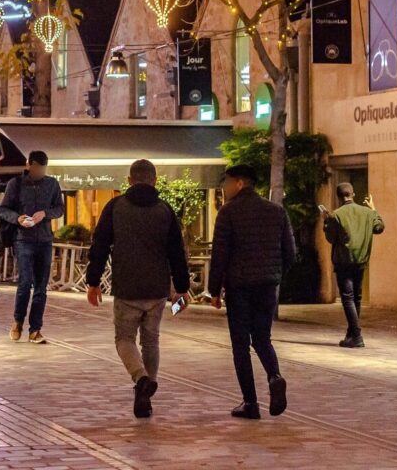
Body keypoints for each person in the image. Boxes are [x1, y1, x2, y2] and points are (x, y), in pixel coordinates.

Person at [86, 159, 191, 419]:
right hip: (156, 289)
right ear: (154, 180)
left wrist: (93, 281)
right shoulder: (165, 210)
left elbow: (99, 246)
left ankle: (141, 378)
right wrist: (182, 287)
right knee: (151, 340)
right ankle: (147, 392)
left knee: (124, 339)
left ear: (129, 180)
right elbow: (177, 252)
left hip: (126, 286)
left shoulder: (115, 207)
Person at [208, 164, 297, 421]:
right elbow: (290, 253)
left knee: (240, 345)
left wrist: (214, 290)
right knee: (262, 338)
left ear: (239, 183)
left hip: (239, 287)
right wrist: (275, 276)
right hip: (267, 285)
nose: (224, 188)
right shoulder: (276, 211)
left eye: (227, 182)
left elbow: (220, 255)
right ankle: (275, 376)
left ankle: (250, 403)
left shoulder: (228, 212)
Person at [0, 151, 64, 344]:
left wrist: (45, 213)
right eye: (36, 167)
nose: (39, 172)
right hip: (23, 239)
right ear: (29, 165)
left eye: (43, 168)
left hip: (44, 239)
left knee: (41, 287)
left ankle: (35, 329)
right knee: (25, 282)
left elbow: (60, 208)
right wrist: (17, 218)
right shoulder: (15, 184)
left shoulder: (52, 184)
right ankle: (18, 321)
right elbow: (3, 209)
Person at [321, 182, 385, 348]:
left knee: (348, 298)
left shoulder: (336, 215)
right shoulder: (367, 213)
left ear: (338, 197)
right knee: (356, 298)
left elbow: (330, 238)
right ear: (353, 194)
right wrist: (373, 209)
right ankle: (351, 334)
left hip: (343, 261)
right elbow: (379, 228)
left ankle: (356, 336)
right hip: (361, 261)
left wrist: (326, 222)